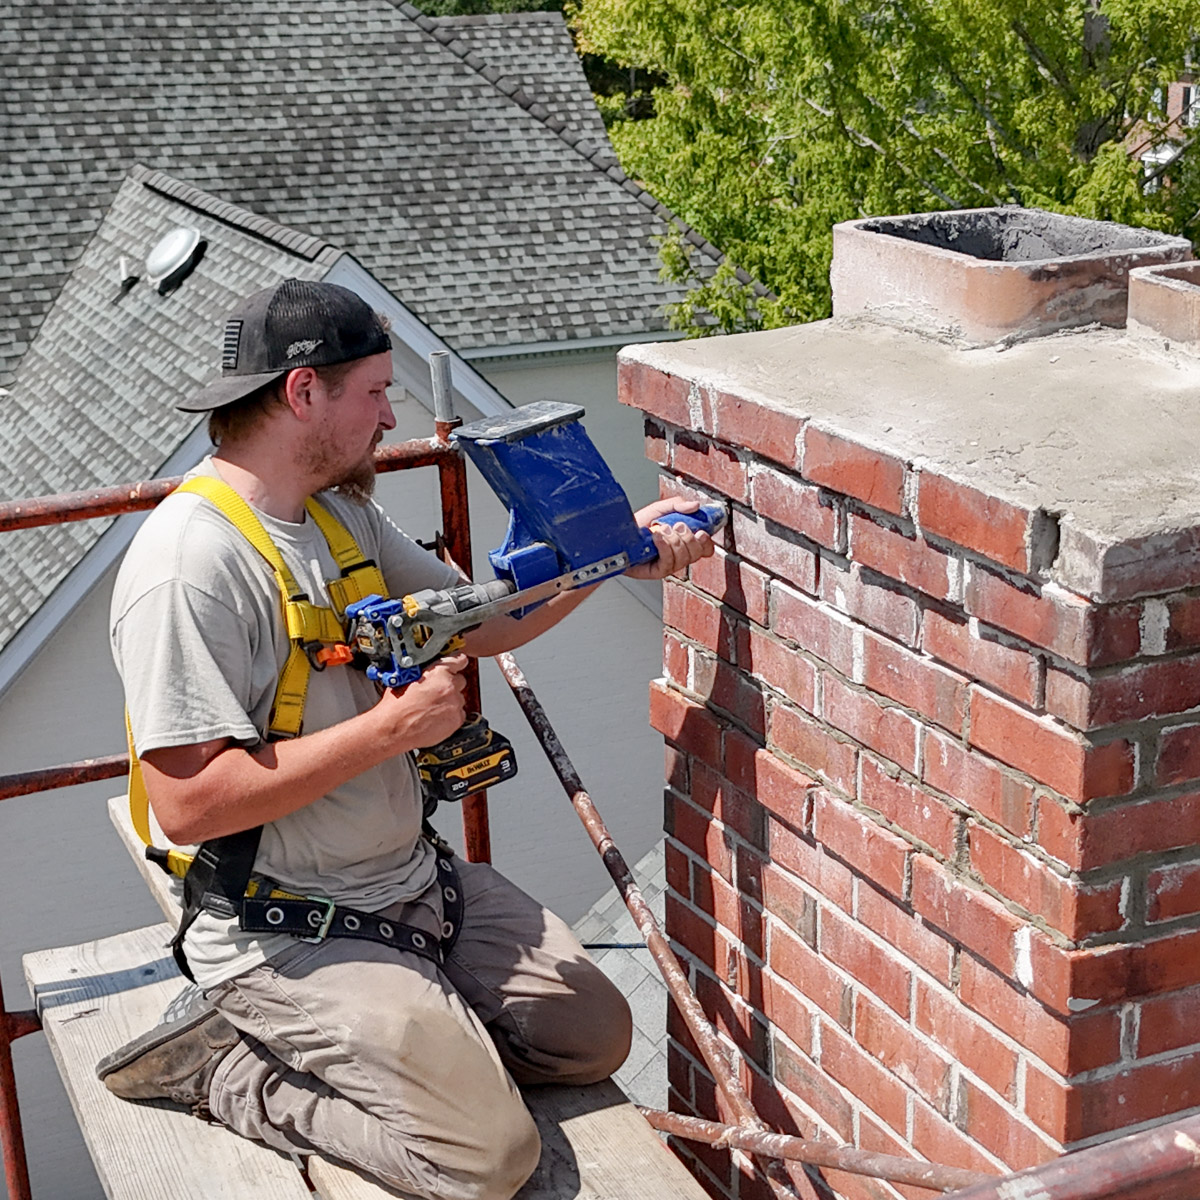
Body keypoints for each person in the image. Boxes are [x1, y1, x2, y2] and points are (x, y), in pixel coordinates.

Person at [100, 279, 713, 1200]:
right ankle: (230, 1068)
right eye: (376, 391)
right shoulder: (191, 569)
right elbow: (189, 804)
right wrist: (391, 730)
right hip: (284, 920)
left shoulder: (339, 513)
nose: (393, 415)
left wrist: (617, 546)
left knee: (593, 1036)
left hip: (410, 882)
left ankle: (420, 1041)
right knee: (488, 1161)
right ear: (304, 392)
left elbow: (483, 623)